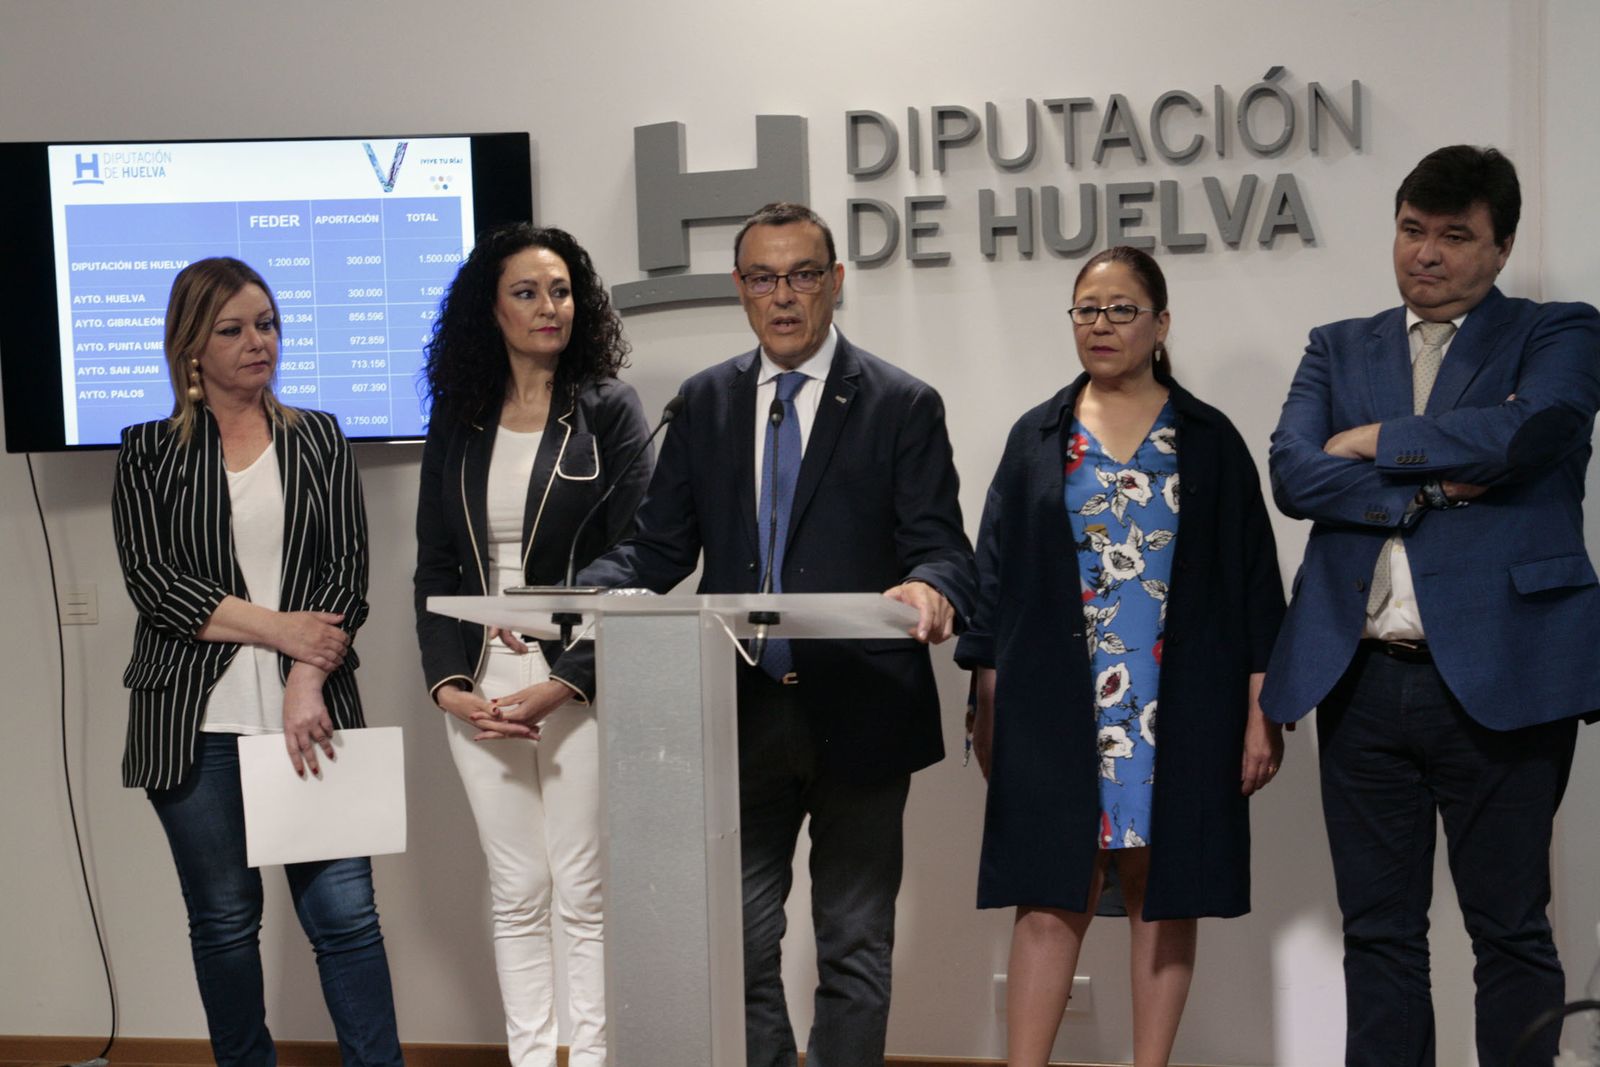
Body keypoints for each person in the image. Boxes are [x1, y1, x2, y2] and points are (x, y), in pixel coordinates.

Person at [478, 202, 975, 1067]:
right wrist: (564, 597)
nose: (784, 296)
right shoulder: (705, 402)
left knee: (854, 947)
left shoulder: (902, 404)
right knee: (738, 946)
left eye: (803, 274)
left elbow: (942, 547)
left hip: (862, 711)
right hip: (740, 709)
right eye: (763, 277)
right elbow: (658, 548)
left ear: (836, 283)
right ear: (741, 289)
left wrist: (931, 586)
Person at [1262, 145, 1600, 1065]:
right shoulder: (1338, 345)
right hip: (1361, 674)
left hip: (1504, 672)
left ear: (1500, 247)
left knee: (1510, 929)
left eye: (1456, 237)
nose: (1427, 255)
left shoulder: (1557, 331)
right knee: (1377, 933)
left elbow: (1533, 428)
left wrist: (1378, 441)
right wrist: (1438, 484)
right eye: (1414, 230)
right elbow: (1294, 472)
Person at [955, 245, 1285, 1067]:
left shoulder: (1208, 439)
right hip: (1054, 700)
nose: (1101, 325)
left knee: (1163, 890)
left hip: (1182, 700)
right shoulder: (1038, 436)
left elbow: (1254, 586)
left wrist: (1261, 712)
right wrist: (985, 699)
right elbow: (991, 576)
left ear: (1161, 323)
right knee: (1048, 892)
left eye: (1121, 309)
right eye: (1086, 309)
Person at [111, 257, 401, 1066]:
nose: (256, 342)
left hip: (311, 717)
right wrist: (282, 631)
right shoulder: (146, 452)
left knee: (347, 918)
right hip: (193, 726)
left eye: (267, 323)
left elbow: (347, 574)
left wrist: (308, 675)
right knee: (226, 923)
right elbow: (157, 585)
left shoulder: (320, 437)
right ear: (191, 347)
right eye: (233, 329)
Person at [412, 223, 651, 1067]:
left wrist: (565, 680)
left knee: (580, 888)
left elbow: (639, 566)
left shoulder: (610, 408)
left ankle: (589, 1058)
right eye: (527, 291)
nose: (549, 307)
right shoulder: (461, 414)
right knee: (516, 888)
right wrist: (448, 685)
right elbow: (436, 563)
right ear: (493, 308)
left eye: (560, 290)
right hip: (479, 680)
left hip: (578, 675)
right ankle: (529, 1057)